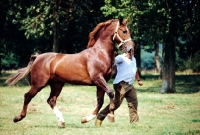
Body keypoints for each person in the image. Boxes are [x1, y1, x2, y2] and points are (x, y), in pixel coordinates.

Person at [95, 47, 143, 126]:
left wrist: (138, 80)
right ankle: (100, 116)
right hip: (120, 84)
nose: (132, 53)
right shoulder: (120, 58)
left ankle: (134, 123)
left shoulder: (134, 59)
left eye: (133, 51)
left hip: (130, 85)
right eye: (130, 51)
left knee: (134, 102)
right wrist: (112, 56)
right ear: (126, 51)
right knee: (116, 104)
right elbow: (111, 62)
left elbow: (135, 70)